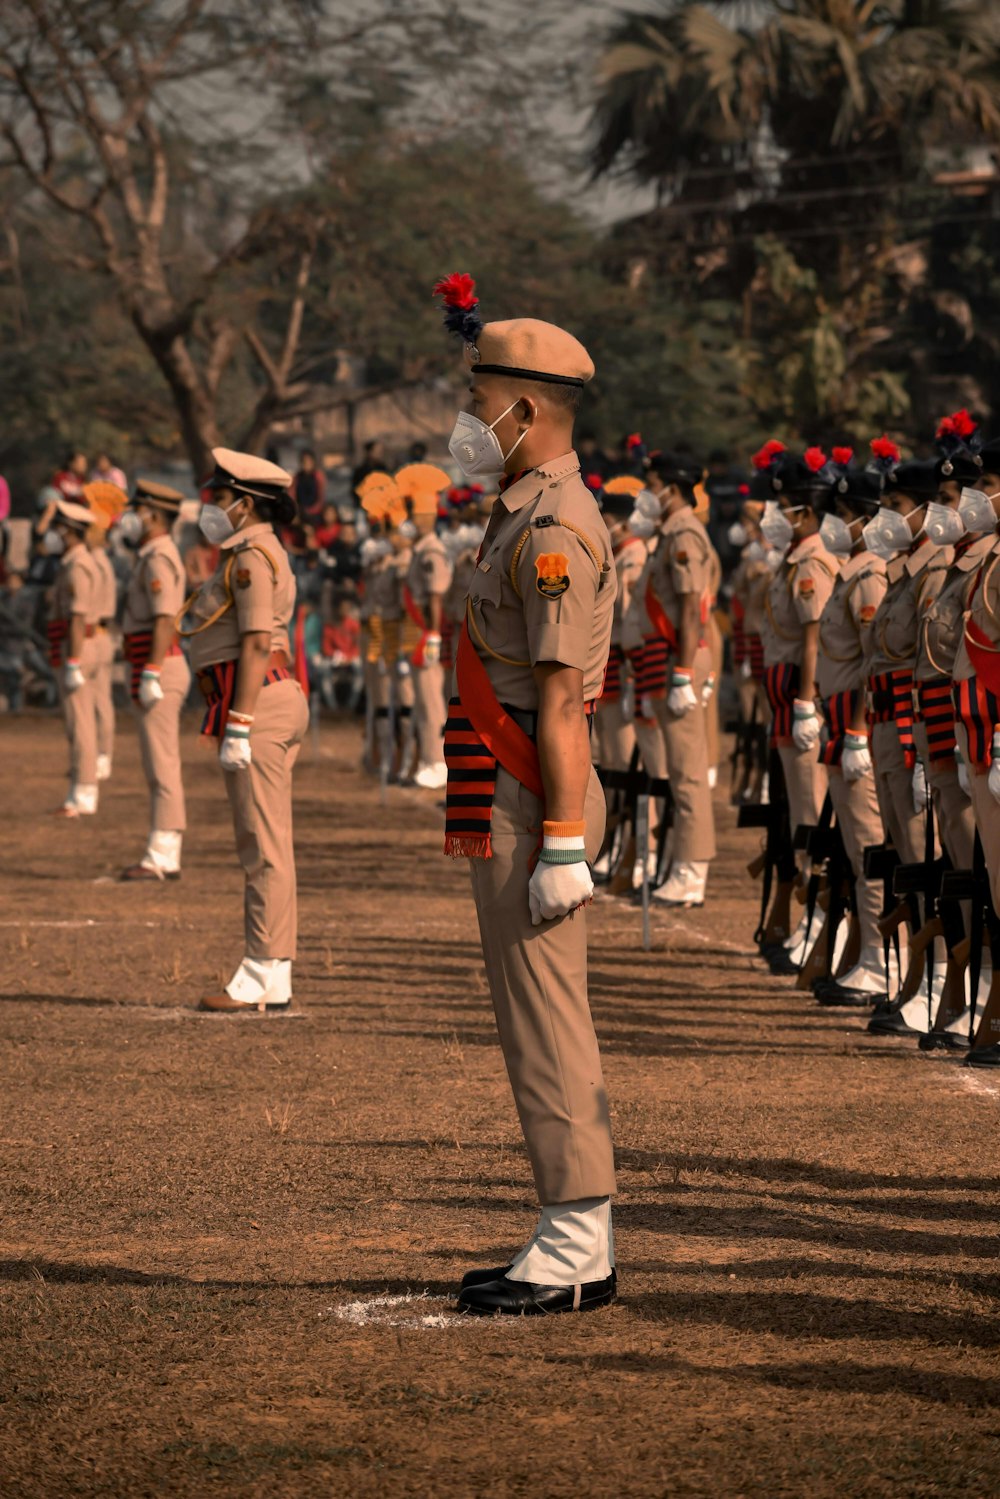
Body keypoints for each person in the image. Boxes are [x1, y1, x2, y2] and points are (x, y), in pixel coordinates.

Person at [434, 271, 617, 1316]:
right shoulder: (523, 513)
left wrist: (557, 842)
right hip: (516, 790)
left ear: (527, 409)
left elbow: (555, 698)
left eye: (481, 400)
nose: (470, 420)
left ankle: (577, 1234)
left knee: (547, 1018)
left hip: (530, 791)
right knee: (531, 1014)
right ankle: (566, 1223)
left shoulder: (551, 524)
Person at [180, 449, 309, 1012]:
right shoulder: (247, 554)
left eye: (221, 497)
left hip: (255, 702)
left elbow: (257, 642)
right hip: (258, 700)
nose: (213, 505)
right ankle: (272, 970)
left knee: (262, 843)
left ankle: (262, 966)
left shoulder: (253, 557)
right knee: (264, 839)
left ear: (247, 504)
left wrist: (239, 722)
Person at [812, 452, 889, 1005]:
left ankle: (881, 960)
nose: (834, 524)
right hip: (838, 723)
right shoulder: (849, 572)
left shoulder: (869, 577)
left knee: (868, 845)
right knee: (851, 846)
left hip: (857, 726)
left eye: (842, 512)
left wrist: (859, 732)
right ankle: (869, 954)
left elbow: (871, 664)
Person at [635, 449, 718, 908]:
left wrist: (684, 674)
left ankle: (692, 870)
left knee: (687, 773)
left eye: (652, 484)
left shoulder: (686, 534)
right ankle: (681, 863)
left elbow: (690, 609)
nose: (648, 493)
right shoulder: (669, 534)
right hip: (668, 659)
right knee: (677, 771)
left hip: (679, 659)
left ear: (673, 487)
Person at [117, 479, 191, 881]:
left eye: (137, 509)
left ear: (154, 515)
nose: (131, 517)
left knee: (162, 762)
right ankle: (165, 849)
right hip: (151, 663)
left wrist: (152, 670)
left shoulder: (160, 556)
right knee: (156, 760)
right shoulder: (150, 555)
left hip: (159, 665)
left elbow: (165, 618)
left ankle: (163, 851)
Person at [396, 462, 453, 790]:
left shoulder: (431, 551)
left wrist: (432, 633)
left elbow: (435, 598)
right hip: (416, 628)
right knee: (422, 698)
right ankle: (428, 758)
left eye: (413, 515)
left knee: (431, 700)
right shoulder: (420, 551)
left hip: (426, 630)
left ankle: (436, 761)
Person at [46, 496, 103, 816]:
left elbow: (78, 616)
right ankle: (82, 788)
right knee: (80, 721)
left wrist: (73, 662)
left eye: (57, 528)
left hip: (78, 646)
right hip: (75, 644)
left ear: (69, 531)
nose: (52, 535)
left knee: (79, 722)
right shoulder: (73, 562)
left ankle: (83, 791)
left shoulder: (78, 564)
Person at [84, 493, 120, 784]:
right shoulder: (101, 561)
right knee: (100, 702)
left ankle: (99, 757)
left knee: (94, 704)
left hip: (93, 635)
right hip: (102, 634)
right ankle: (100, 756)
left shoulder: (93, 562)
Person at [292, 449, 326, 524]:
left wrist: (311, 511)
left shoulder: (319, 476)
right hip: (300, 512)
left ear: (313, 462)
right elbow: (292, 496)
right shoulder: (296, 477)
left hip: (315, 514)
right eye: (304, 461)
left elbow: (321, 497)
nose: (306, 464)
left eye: (309, 461)